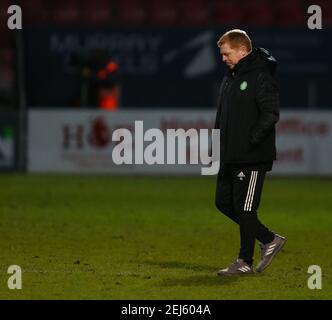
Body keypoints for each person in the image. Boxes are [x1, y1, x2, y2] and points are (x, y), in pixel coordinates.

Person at [214, 29, 286, 275]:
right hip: (231, 154)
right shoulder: (231, 77)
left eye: (227, 54)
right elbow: (223, 116)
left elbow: (271, 114)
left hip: (252, 156)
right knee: (223, 202)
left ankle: (244, 262)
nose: (223, 58)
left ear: (242, 51)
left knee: (245, 209)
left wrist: (250, 141)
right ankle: (268, 239)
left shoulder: (260, 77)